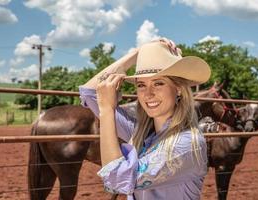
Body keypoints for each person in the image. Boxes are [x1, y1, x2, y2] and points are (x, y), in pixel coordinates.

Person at [79, 38, 211, 200]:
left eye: (158, 83)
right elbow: (89, 93)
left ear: (178, 89)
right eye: (141, 85)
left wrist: (107, 109)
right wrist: (138, 53)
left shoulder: (187, 144)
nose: (148, 93)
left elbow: (118, 180)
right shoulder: (142, 132)